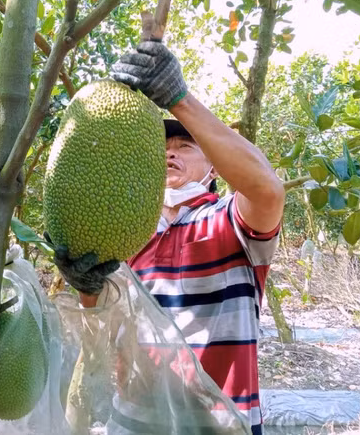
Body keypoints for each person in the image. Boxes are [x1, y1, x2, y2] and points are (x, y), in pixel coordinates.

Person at [54, 40, 284, 435]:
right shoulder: (123, 231)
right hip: (133, 421)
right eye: (161, 147)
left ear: (214, 165)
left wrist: (179, 99)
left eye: (185, 145)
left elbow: (267, 189)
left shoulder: (229, 221)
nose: (170, 153)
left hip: (218, 424)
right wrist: (87, 288)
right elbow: (106, 332)